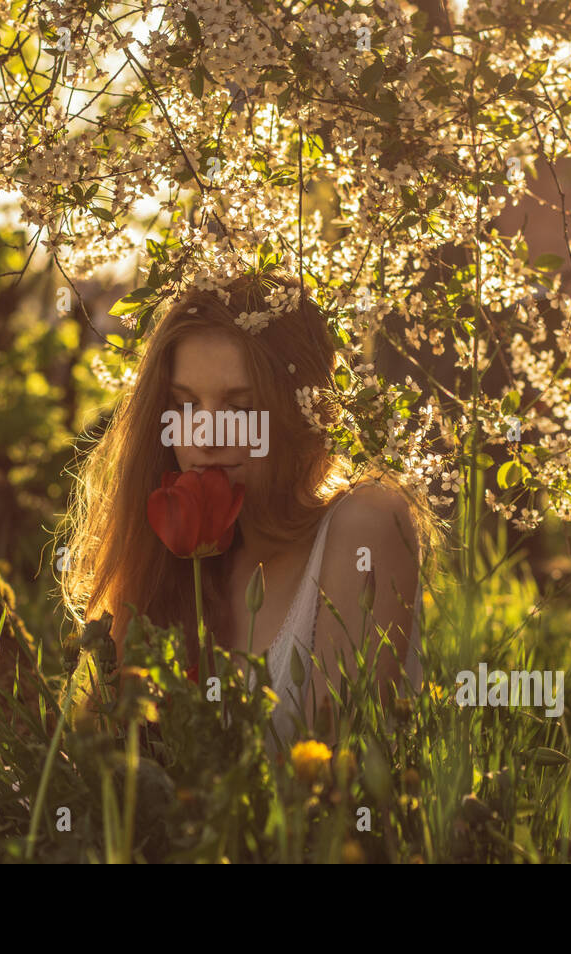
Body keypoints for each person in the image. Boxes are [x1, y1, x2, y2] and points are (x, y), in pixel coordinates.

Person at [59, 270, 440, 748]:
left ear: (301, 411)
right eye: (185, 404)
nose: (205, 438)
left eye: (240, 409)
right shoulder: (176, 564)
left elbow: (324, 774)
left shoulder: (365, 522)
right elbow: (94, 758)